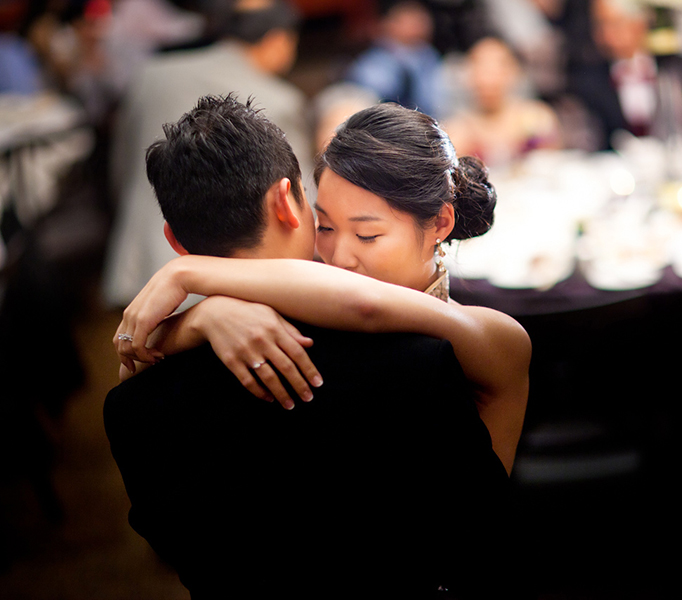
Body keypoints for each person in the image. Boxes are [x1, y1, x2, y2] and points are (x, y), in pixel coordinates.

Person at [106, 95, 530, 596]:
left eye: (367, 235)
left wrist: (193, 284)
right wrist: (204, 312)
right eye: (324, 225)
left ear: (440, 224)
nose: (340, 257)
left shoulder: (131, 406)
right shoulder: (413, 365)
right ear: (291, 202)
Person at [101, 0, 311, 308]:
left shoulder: (152, 75)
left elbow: (121, 166)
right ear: (279, 40)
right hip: (233, 272)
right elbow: (296, 194)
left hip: (140, 254)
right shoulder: (276, 99)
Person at [567, 0, 682, 150]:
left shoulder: (677, 68)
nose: (605, 34)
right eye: (599, 25)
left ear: (640, 23)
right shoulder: (587, 76)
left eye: (614, 24)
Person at [443, 36, 561, 168]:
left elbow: (554, 167)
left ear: (514, 72)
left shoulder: (538, 118)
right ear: (469, 76)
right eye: (481, 70)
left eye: (497, 69)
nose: (488, 80)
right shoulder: (457, 131)